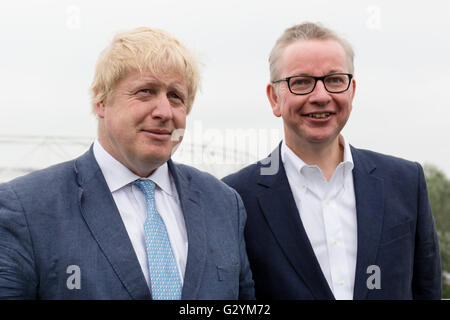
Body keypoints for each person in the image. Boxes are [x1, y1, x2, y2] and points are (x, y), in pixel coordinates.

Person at [0, 27, 254, 300]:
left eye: (175, 97)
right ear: (101, 101)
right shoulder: (27, 208)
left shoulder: (224, 204)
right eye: (145, 91)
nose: (164, 112)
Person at [223, 22, 441, 300]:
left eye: (335, 80)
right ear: (274, 97)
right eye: (300, 82)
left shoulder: (406, 183)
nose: (321, 96)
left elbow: (427, 290)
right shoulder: (235, 199)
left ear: (351, 91)